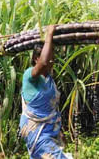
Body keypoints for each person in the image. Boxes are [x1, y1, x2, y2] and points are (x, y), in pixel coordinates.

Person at [19, 25, 71, 159]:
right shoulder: (29, 76)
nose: (52, 59)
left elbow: (52, 109)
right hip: (36, 131)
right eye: (49, 55)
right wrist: (49, 35)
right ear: (36, 58)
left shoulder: (49, 80)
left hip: (48, 132)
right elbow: (42, 63)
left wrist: (59, 131)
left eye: (52, 55)